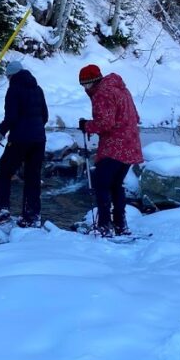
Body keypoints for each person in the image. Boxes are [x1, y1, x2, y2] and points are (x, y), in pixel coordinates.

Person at [77, 64, 143, 237]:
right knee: (116, 185)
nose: (84, 88)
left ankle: (104, 225)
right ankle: (121, 225)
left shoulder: (102, 93)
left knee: (102, 185)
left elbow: (105, 123)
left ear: (92, 82)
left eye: (85, 84)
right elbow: (136, 117)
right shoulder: (121, 89)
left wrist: (87, 126)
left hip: (114, 147)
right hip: (131, 145)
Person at [0, 61, 49, 227]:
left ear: (11, 75)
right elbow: (45, 116)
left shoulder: (13, 89)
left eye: (8, 77)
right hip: (39, 140)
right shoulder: (38, 89)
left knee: (5, 172)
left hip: (20, 139)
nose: (8, 80)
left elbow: (11, 118)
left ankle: (2, 211)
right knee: (32, 177)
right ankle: (32, 216)